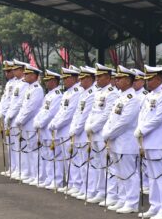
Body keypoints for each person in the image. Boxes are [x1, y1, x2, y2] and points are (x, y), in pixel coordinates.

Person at [134, 65, 162, 219]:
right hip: (149, 141)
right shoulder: (150, 95)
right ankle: (155, 205)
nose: (147, 82)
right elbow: (143, 115)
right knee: (152, 177)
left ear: (158, 78)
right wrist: (140, 130)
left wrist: (141, 130)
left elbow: (158, 118)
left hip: (160, 142)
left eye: (150, 80)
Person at [102, 66, 142, 213]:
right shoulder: (121, 96)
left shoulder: (133, 99)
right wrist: (106, 132)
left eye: (120, 78)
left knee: (129, 173)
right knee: (119, 173)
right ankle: (122, 198)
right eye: (116, 78)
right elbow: (111, 118)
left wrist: (108, 134)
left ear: (128, 80)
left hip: (126, 142)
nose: (116, 80)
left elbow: (124, 122)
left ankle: (131, 202)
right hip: (115, 141)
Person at [83, 64, 119, 203]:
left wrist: (93, 127)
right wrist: (88, 126)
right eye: (96, 76)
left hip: (103, 134)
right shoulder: (98, 93)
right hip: (94, 134)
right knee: (98, 164)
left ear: (108, 78)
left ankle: (111, 194)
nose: (97, 79)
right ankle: (100, 191)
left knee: (108, 166)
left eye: (100, 76)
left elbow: (106, 115)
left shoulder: (112, 93)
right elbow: (92, 112)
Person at [47, 66, 82, 190]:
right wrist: (54, 122)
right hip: (61, 130)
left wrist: (57, 124)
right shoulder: (67, 93)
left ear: (74, 78)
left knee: (73, 158)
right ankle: (70, 183)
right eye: (64, 78)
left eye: (67, 78)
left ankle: (76, 185)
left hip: (69, 129)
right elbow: (61, 111)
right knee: (67, 159)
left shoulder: (77, 92)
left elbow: (69, 113)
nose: (64, 81)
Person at [64, 66, 96, 197]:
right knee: (81, 163)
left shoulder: (92, 93)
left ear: (89, 79)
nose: (80, 81)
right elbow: (77, 114)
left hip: (84, 133)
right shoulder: (84, 93)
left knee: (88, 163)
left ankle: (90, 190)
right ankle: (83, 187)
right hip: (78, 133)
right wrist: (73, 128)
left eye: (82, 79)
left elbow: (85, 116)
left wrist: (76, 129)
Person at [14, 64, 45, 184]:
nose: (25, 76)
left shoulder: (37, 89)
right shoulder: (30, 88)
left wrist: (20, 120)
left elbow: (31, 108)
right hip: (26, 125)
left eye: (27, 74)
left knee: (35, 151)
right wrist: (20, 119)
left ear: (33, 76)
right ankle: (31, 174)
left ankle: (38, 176)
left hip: (32, 124)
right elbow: (23, 107)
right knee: (28, 150)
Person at [32, 70, 63, 188]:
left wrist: (40, 123)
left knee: (55, 156)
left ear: (54, 81)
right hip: (44, 131)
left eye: (48, 81)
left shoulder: (58, 95)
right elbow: (42, 111)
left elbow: (51, 113)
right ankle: (49, 178)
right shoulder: (49, 95)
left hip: (51, 130)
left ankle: (57, 180)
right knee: (47, 156)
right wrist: (36, 121)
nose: (46, 83)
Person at [4, 60, 29, 180]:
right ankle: (14, 168)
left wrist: (11, 115)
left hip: (18, 118)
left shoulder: (24, 84)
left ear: (21, 70)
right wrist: (3, 112)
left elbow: (19, 103)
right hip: (11, 117)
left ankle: (21, 170)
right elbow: (8, 100)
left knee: (20, 146)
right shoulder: (15, 83)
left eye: (15, 70)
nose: (13, 72)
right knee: (12, 145)